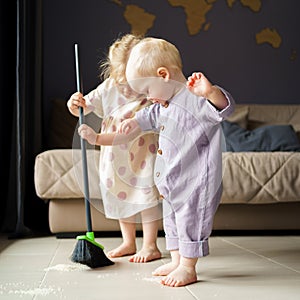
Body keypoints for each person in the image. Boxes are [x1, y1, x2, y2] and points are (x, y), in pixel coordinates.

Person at [115, 37, 235, 287]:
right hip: (170, 180)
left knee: (190, 220)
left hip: (196, 181)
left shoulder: (196, 99)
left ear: (163, 75)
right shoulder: (165, 104)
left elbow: (224, 108)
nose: (148, 98)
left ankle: (188, 267)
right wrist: (134, 122)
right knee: (171, 220)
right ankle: (177, 259)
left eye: (147, 90)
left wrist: (210, 92)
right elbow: (150, 115)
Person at [67, 34, 162, 263]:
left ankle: (150, 245)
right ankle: (128, 242)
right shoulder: (108, 87)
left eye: (132, 82)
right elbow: (83, 108)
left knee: (146, 195)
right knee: (122, 195)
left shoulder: (149, 89)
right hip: (114, 155)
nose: (128, 89)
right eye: (122, 83)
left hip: (143, 152)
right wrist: (74, 103)